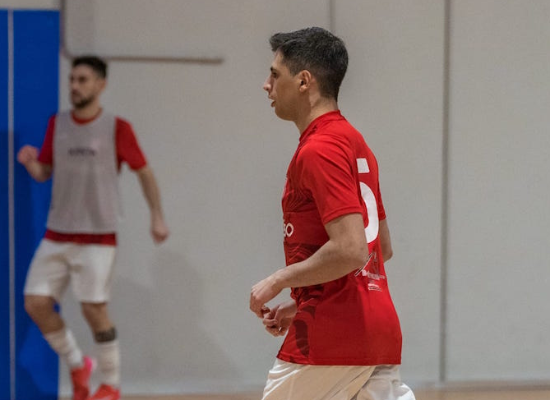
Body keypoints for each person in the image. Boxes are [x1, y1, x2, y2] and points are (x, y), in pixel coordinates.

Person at [250, 27, 415, 400]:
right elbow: (381, 248)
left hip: (333, 335)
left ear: (303, 81)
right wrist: (302, 299)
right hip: (377, 330)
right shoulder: (354, 142)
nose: (266, 85)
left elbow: (352, 249)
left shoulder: (319, 148)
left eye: (275, 74)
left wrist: (279, 280)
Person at [17, 55, 169, 400]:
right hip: (57, 233)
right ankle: (78, 364)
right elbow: (45, 171)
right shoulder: (57, 124)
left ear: (101, 84)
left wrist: (157, 216)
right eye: (72, 79)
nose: (75, 86)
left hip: (98, 237)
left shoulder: (117, 128)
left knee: (93, 309)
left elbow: (144, 173)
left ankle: (111, 384)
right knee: (36, 303)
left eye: (83, 79)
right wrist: (31, 164)